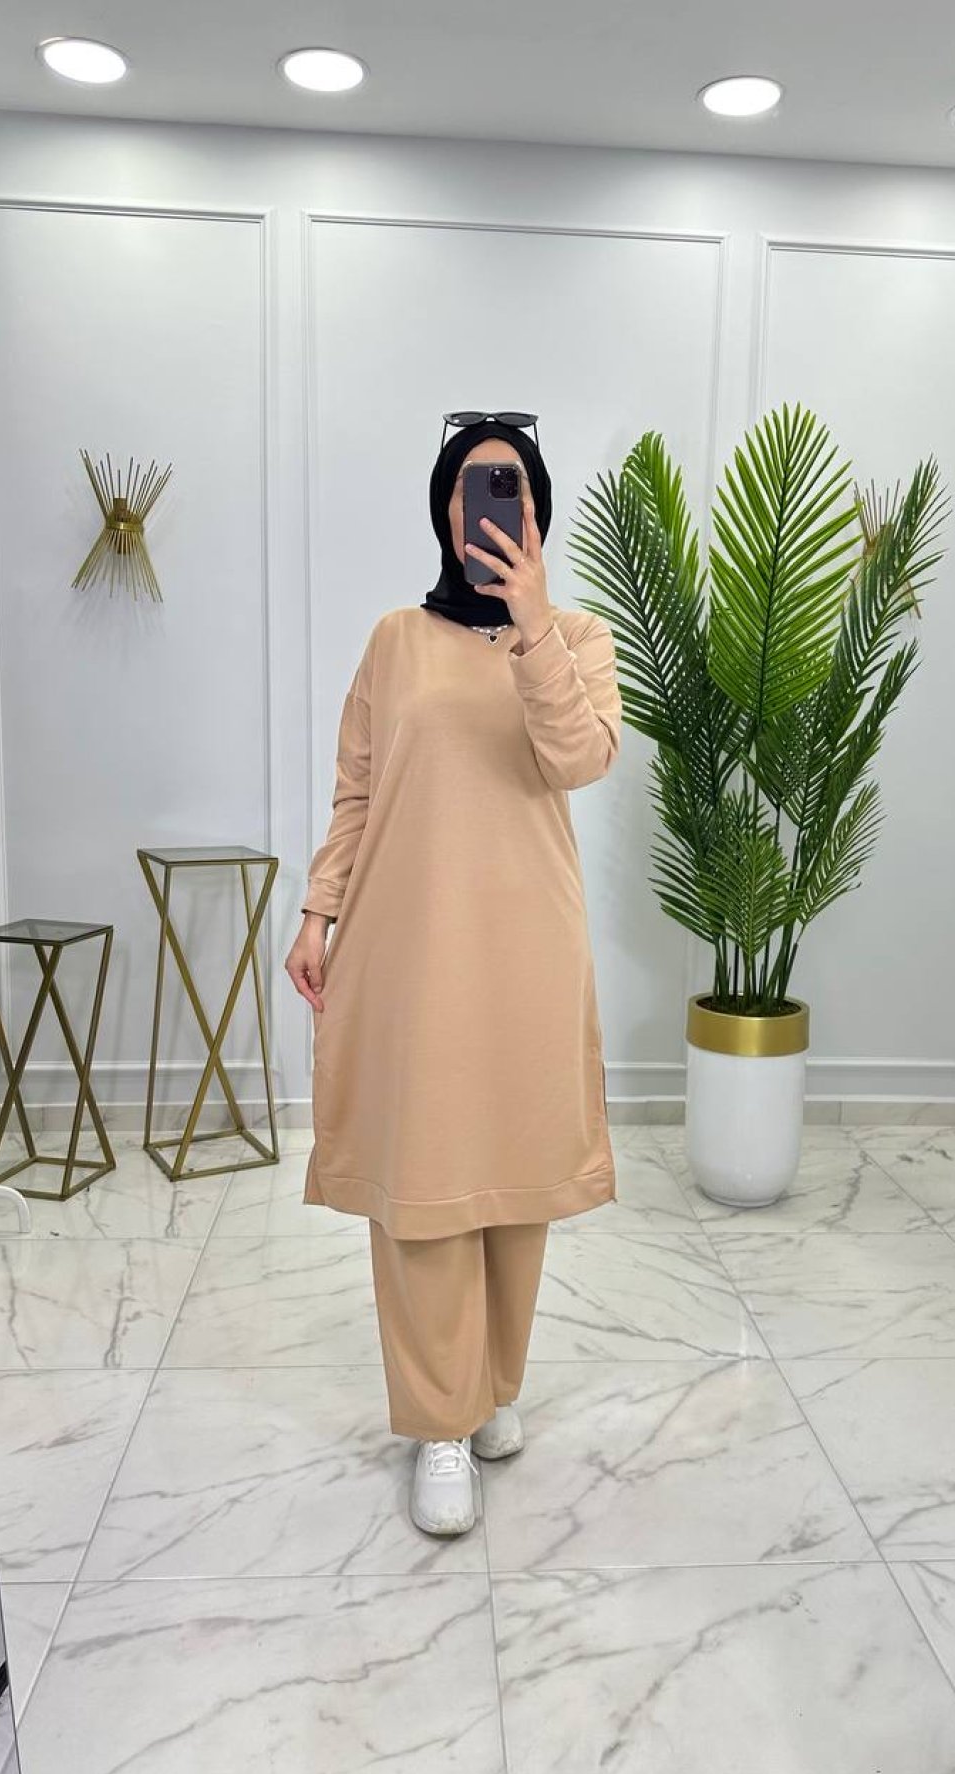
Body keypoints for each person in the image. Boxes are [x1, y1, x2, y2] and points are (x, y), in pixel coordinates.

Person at [284, 412, 621, 1537]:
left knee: (517, 1174)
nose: (491, 503)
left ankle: (492, 1388)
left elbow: (579, 758)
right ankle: (438, 1419)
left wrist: (532, 628)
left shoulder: (577, 637)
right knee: (426, 1178)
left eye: (510, 484)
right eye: (473, 485)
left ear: (537, 509)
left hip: (528, 942)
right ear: (444, 510)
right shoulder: (395, 640)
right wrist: (318, 910)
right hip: (410, 942)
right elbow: (358, 789)